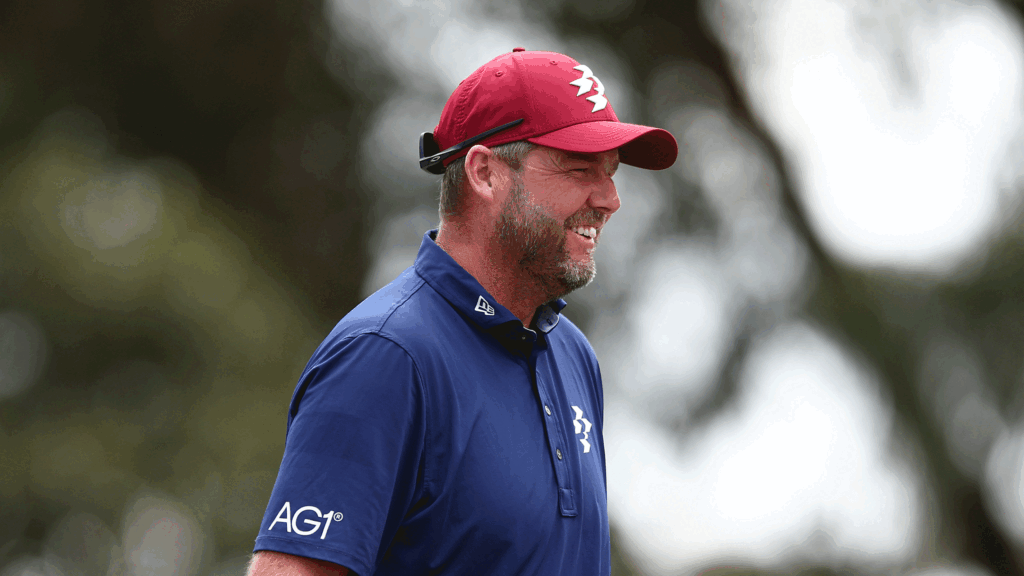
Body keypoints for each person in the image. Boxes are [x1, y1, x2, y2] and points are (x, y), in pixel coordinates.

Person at [247, 48, 677, 576]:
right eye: (579, 167)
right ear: (485, 172)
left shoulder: (572, 354)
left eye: (610, 173)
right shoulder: (384, 356)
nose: (609, 198)